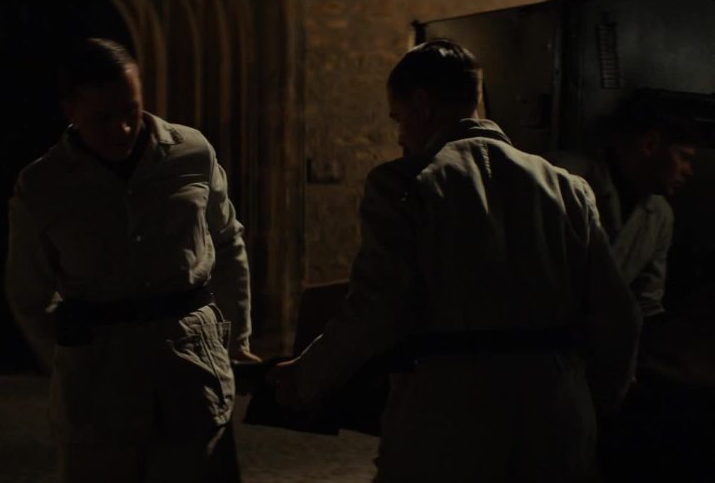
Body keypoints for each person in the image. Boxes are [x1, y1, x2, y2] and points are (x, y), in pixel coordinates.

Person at [269, 39, 641, 481]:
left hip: (452, 418)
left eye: (398, 117)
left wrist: (305, 380)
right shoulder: (567, 188)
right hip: (558, 417)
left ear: (422, 105)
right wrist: (589, 398)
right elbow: (619, 316)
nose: (399, 135)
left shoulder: (404, 185)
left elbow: (377, 310)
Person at [5, 37, 259, 483]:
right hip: (100, 395)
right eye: (103, 118)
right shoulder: (43, 186)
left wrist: (234, 336)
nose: (122, 129)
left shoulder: (190, 153)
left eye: (131, 110)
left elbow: (225, 241)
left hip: (190, 376)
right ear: (70, 112)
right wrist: (72, 361)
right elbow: (29, 293)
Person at [550, 91, 696, 330]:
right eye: (684, 158)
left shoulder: (660, 216)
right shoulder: (561, 178)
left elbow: (646, 303)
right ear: (650, 144)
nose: (688, 171)